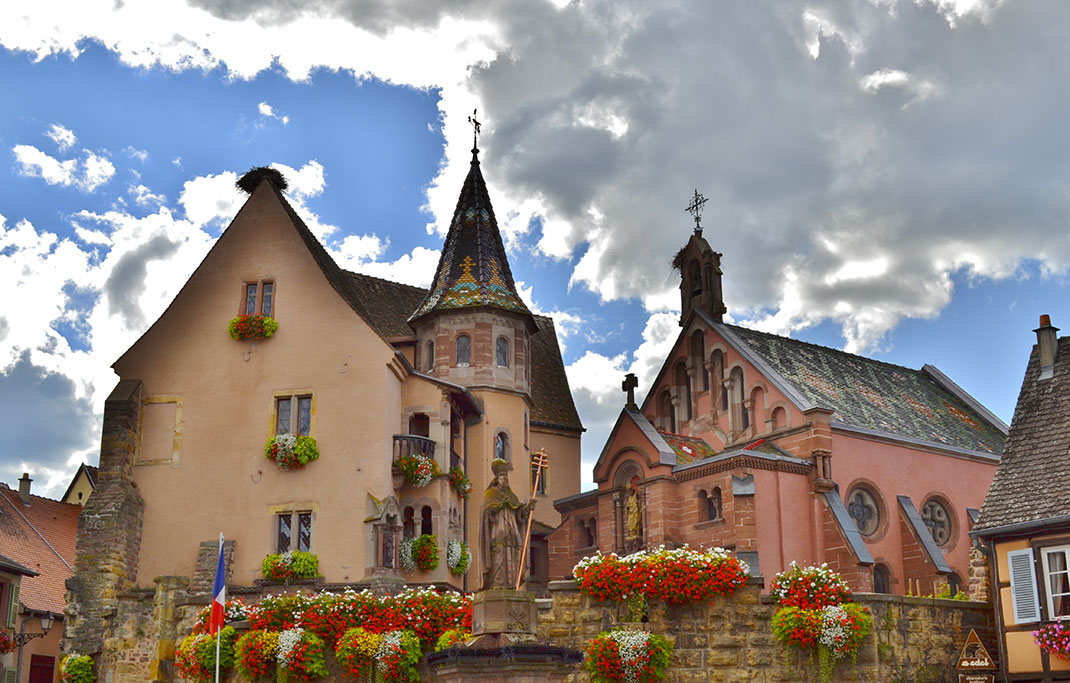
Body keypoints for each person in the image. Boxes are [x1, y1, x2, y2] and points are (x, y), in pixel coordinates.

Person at [480, 459, 536, 590]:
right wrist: (500, 505)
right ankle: (496, 583)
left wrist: (527, 509)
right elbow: (486, 511)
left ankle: (511, 583)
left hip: (512, 529)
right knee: (499, 554)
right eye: (502, 476)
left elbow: (519, 514)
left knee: (513, 553)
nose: (505, 478)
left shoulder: (512, 496)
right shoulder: (490, 493)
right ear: (496, 479)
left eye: (506, 475)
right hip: (497, 529)